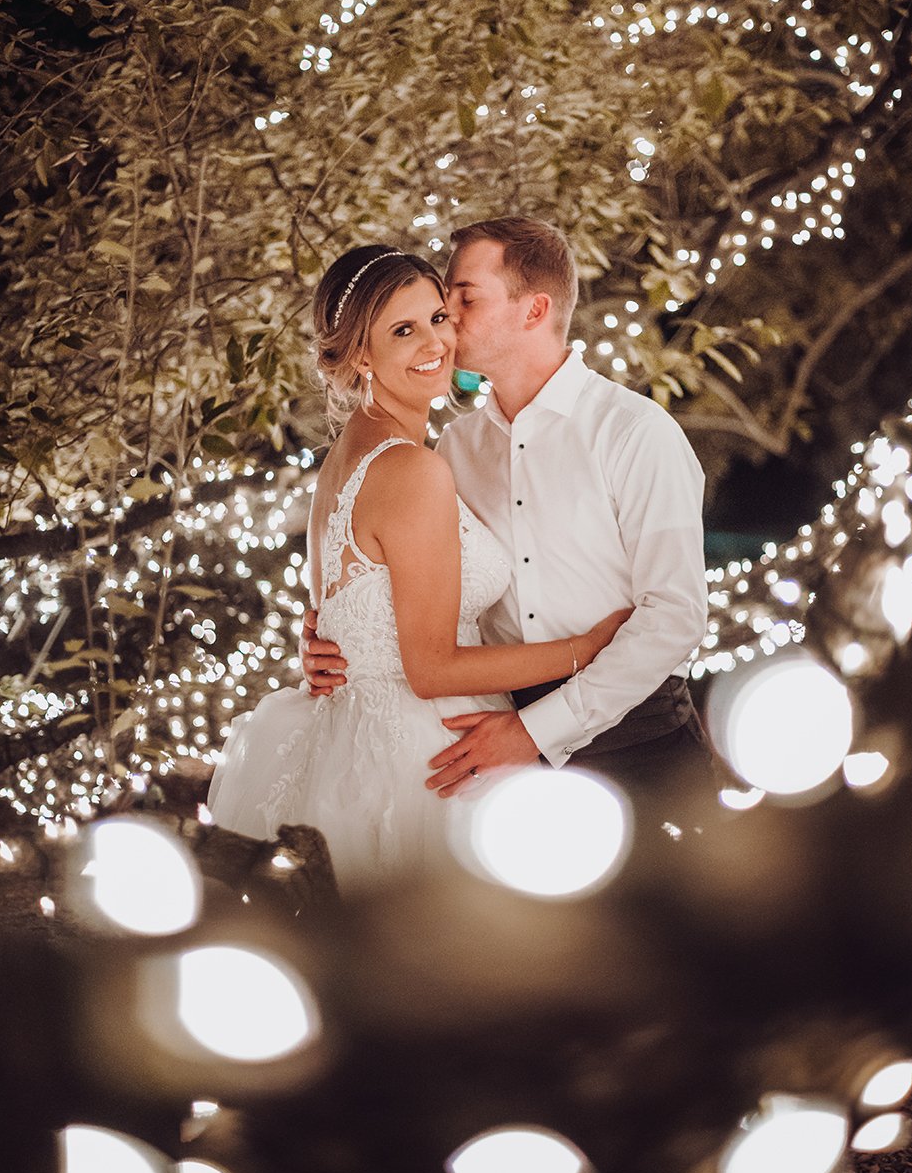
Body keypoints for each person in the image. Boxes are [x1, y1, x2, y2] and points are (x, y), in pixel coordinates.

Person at [207, 244, 628, 895]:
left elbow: (350, 605)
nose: (435, 341)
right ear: (360, 356)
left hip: (351, 741)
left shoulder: (348, 456)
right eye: (403, 330)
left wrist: (322, 639)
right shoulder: (411, 469)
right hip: (424, 757)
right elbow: (431, 669)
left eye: (438, 317)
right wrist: (588, 649)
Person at [302, 218, 711, 852]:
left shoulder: (635, 432)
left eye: (463, 299)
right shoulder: (455, 448)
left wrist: (537, 731)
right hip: (486, 744)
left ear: (535, 309)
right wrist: (338, 644)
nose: (450, 320)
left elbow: (675, 617)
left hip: (637, 745)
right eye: (441, 306)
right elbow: (404, 583)